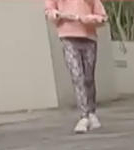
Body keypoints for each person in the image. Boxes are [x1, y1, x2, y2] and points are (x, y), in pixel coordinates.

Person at [44, 0, 107, 134]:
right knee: (77, 76)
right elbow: (49, 11)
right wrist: (57, 15)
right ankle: (83, 116)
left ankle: (91, 113)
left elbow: (102, 17)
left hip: (89, 38)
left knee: (88, 78)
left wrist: (89, 19)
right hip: (68, 37)